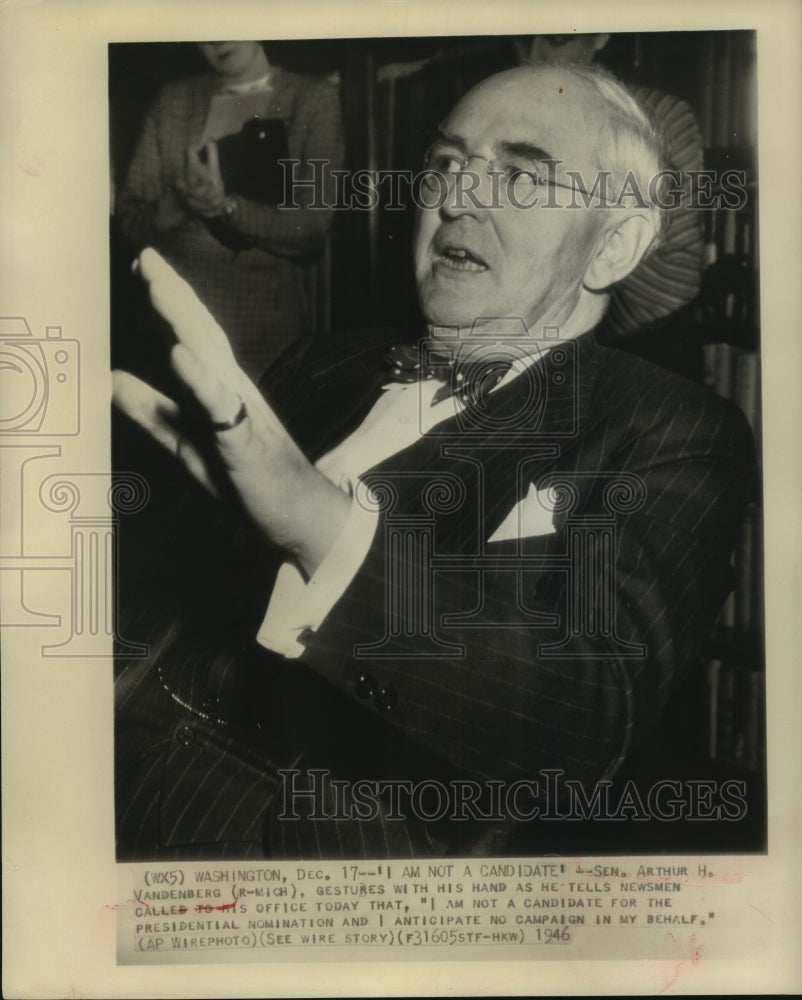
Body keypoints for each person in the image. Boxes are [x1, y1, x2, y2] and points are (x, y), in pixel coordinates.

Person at [113, 63, 753, 860]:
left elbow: (582, 723)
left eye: (520, 177)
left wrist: (314, 521)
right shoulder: (321, 362)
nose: (457, 198)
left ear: (614, 245)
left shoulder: (668, 429)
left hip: (290, 853)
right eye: (446, 165)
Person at [116, 40, 344, 378]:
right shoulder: (171, 101)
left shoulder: (313, 100)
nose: (218, 37)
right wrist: (179, 201)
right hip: (173, 325)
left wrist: (223, 207)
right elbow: (129, 220)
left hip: (265, 333)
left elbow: (311, 226)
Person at [514, 33, 705, 343]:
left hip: (629, 347)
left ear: (600, 35)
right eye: (522, 41)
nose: (535, 55)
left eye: (556, 39)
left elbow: (676, 277)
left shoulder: (661, 117)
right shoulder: (505, 118)